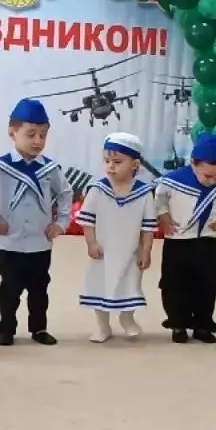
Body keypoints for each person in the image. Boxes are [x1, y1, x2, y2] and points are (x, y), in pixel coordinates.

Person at [0, 98, 73, 347]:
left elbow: (65, 194)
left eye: (43, 135)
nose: (37, 141)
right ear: (12, 132)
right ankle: (6, 328)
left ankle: (39, 328)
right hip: (12, 242)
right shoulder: (0, 167)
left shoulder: (50, 169)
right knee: (9, 289)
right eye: (31, 134)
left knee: (40, 289)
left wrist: (61, 223)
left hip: (41, 242)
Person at [77, 132, 157, 342]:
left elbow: (148, 227)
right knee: (100, 285)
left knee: (130, 284)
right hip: (103, 251)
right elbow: (87, 220)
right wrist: (91, 243)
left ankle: (127, 318)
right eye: (107, 161)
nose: (110, 166)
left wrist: (146, 251)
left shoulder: (144, 193)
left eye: (117, 162)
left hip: (130, 251)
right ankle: (102, 326)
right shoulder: (98, 189)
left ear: (134, 164)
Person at [155, 133, 216, 343]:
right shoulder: (172, 181)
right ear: (193, 163)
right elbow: (159, 200)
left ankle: (203, 325)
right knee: (174, 284)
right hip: (177, 242)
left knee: (206, 285)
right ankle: (178, 324)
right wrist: (163, 216)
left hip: (206, 242)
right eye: (208, 176)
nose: (213, 181)